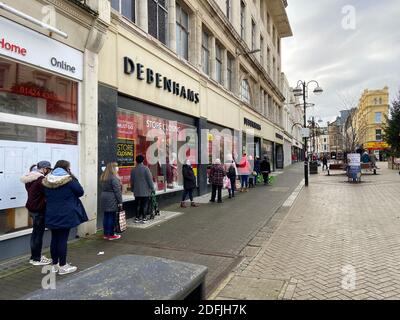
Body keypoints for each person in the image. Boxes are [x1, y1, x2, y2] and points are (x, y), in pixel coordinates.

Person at [42, 160, 88, 275]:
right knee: (62, 239)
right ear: (67, 168)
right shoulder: (69, 180)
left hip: (51, 213)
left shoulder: (46, 179)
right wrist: (72, 176)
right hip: (65, 213)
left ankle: (55, 265)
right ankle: (63, 266)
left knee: (54, 239)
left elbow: (45, 194)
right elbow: (80, 192)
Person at [20, 161, 53, 266]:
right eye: (48, 169)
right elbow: (47, 193)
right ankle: (36, 258)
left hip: (32, 208)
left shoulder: (29, 178)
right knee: (38, 234)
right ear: (44, 169)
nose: (48, 171)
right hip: (39, 209)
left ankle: (34, 256)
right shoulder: (40, 180)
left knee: (35, 234)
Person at [100, 162, 123, 240]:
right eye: (116, 166)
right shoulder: (114, 178)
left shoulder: (104, 176)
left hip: (104, 197)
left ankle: (106, 234)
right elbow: (117, 191)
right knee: (111, 217)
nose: (118, 168)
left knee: (106, 216)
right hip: (111, 198)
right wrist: (120, 202)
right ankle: (111, 234)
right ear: (113, 168)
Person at [130, 155, 155, 223]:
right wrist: (152, 188)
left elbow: (131, 181)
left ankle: (137, 218)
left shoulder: (133, 170)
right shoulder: (146, 169)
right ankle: (144, 217)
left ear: (136, 161)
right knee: (144, 204)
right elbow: (150, 180)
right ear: (143, 160)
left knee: (137, 204)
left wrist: (132, 189)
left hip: (137, 190)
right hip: (145, 191)